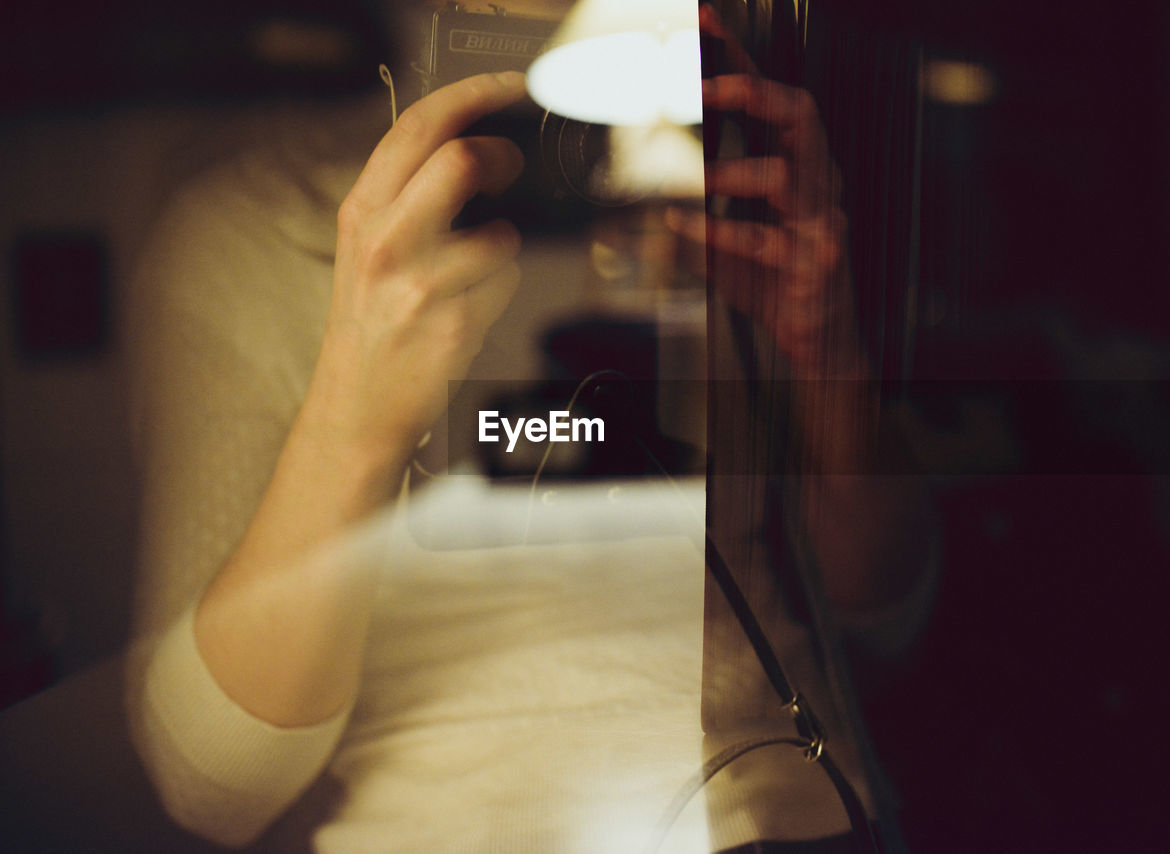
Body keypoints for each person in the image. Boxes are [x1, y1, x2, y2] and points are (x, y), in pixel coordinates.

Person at [124, 3, 931, 850]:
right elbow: (209, 785)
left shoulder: (732, 192)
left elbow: (888, 616)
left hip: (795, 809)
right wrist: (356, 412)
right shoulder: (254, 233)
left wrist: (827, 356)